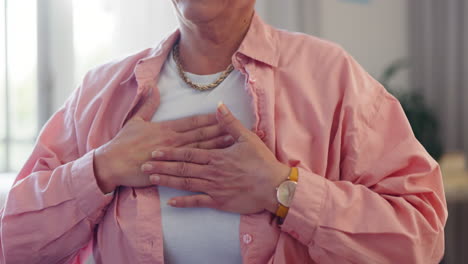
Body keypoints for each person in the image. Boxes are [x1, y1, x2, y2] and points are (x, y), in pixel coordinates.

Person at [0, 0, 447, 263]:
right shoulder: (99, 92)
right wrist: (101, 168)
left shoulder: (333, 78)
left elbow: (421, 238)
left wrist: (284, 191)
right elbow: (11, 240)